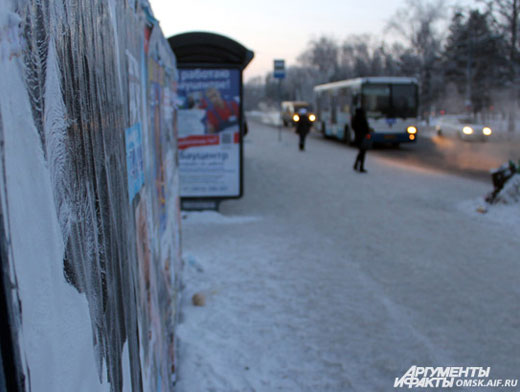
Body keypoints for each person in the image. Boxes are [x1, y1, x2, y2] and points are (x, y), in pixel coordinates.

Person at [351, 107, 370, 172]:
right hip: (363, 137)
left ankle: (356, 165)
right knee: (362, 153)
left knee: (361, 152)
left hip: (357, 137)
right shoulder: (363, 118)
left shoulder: (355, 118)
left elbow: (353, 127)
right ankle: (360, 167)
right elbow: (366, 128)